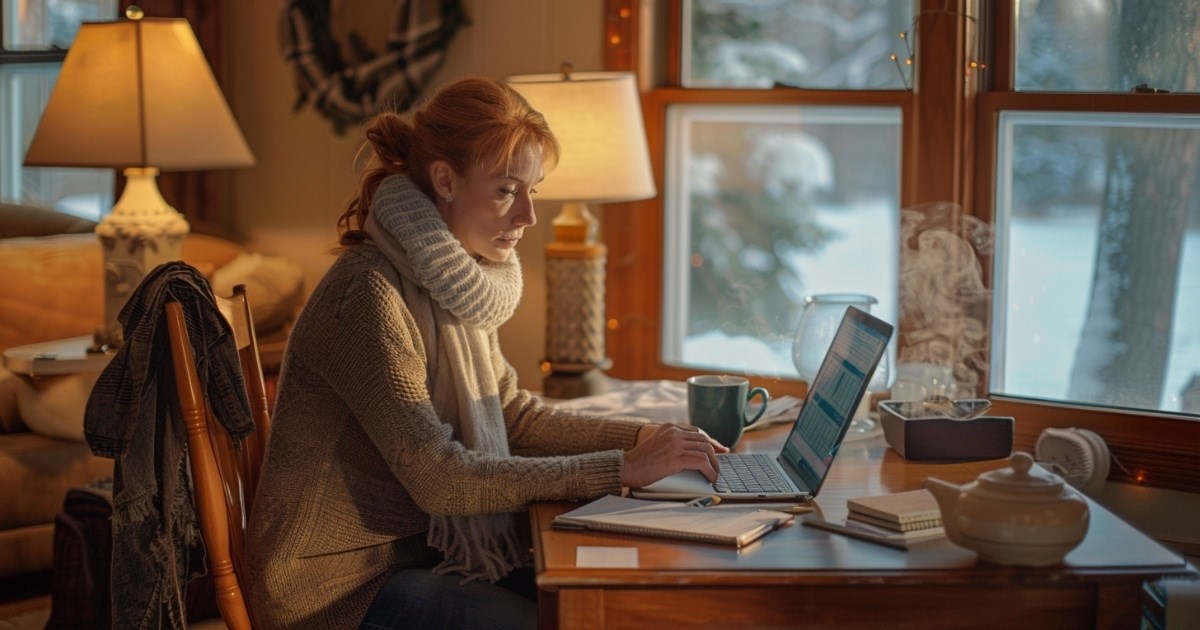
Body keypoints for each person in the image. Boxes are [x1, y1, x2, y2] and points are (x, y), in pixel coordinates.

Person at [245, 76, 727, 630]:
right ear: (445, 180)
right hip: (335, 588)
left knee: (626, 602)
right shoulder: (369, 294)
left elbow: (511, 413)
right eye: (506, 190)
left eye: (532, 191)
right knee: (560, 618)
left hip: (418, 553)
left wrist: (643, 438)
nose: (528, 216)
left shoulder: (452, 278)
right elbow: (441, 478)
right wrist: (622, 468)